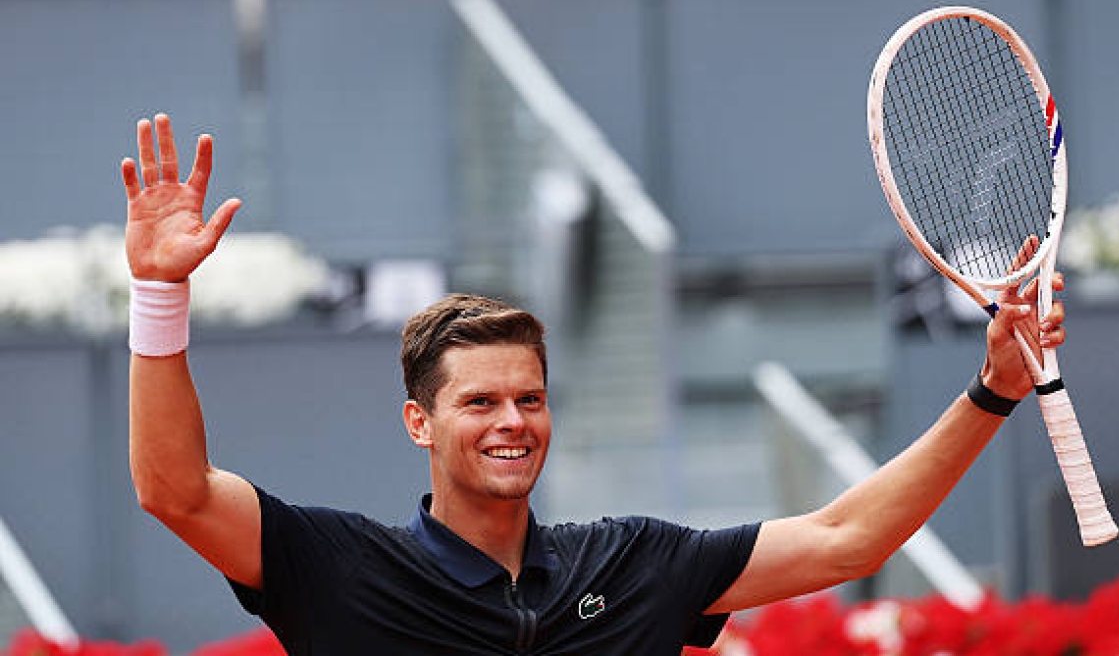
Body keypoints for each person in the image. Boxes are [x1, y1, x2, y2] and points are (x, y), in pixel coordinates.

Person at [123, 114, 1065, 655]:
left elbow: (846, 536)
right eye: (479, 401)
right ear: (419, 421)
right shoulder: (337, 566)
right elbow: (174, 488)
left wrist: (991, 392)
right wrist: (160, 294)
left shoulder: (635, 564)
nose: (512, 421)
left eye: (529, 398)